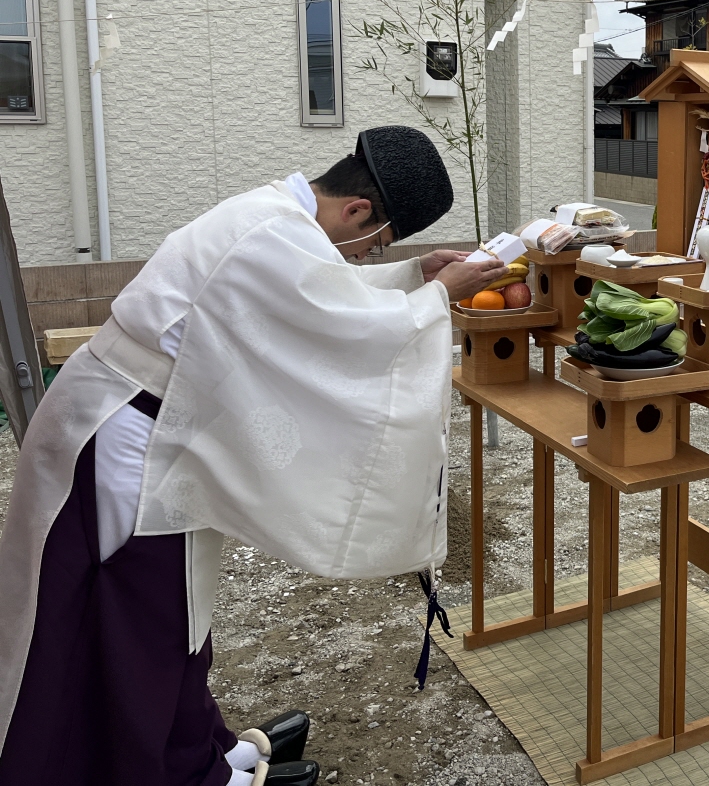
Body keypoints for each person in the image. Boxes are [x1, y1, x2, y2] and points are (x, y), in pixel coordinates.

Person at [0, 126, 507, 786]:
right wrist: (438, 298)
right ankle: (166, 773)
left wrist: (416, 277)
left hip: (161, 428)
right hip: (125, 442)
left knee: (182, 610)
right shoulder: (272, 233)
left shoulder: (276, 214)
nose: (363, 253)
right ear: (358, 211)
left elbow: (325, 298)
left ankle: (199, 751)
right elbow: (337, 319)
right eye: (375, 242)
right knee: (141, 619)